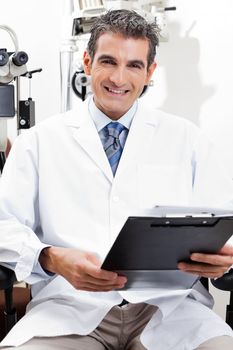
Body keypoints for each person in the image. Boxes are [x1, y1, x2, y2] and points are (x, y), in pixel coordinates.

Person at [0, 9, 233, 350]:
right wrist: (49, 257)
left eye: (134, 65)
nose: (119, 78)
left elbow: (223, 220)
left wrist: (224, 258)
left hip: (170, 309)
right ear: (87, 62)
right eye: (108, 61)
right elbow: (4, 225)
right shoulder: (38, 142)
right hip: (71, 309)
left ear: (150, 71)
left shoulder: (188, 140)